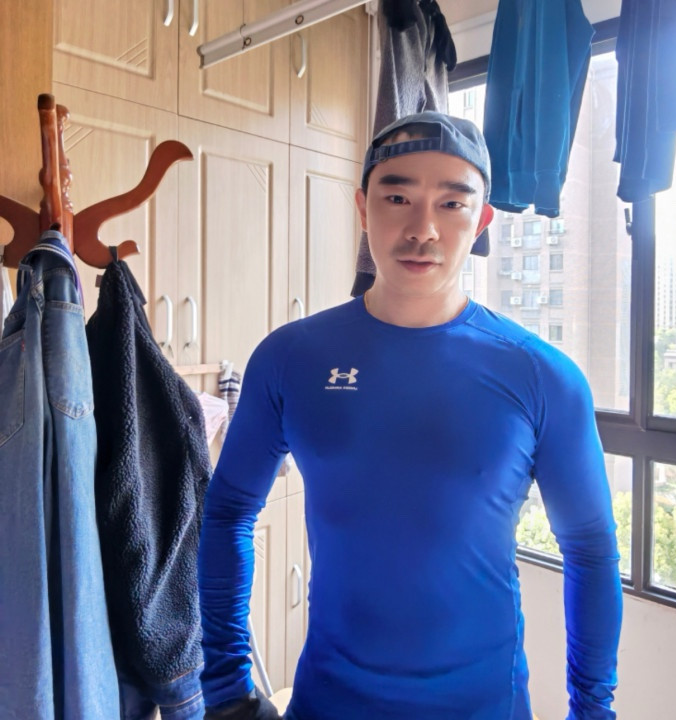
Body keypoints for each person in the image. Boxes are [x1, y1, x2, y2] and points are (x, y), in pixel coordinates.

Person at [198, 111, 623, 720]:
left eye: (452, 204)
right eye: (397, 197)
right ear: (363, 208)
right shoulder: (291, 357)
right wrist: (225, 687)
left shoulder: (541, 376)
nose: (422, 229)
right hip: (328, 704)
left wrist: (593, 710)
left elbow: (589, 549)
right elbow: (229, 511)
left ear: (481, 221)